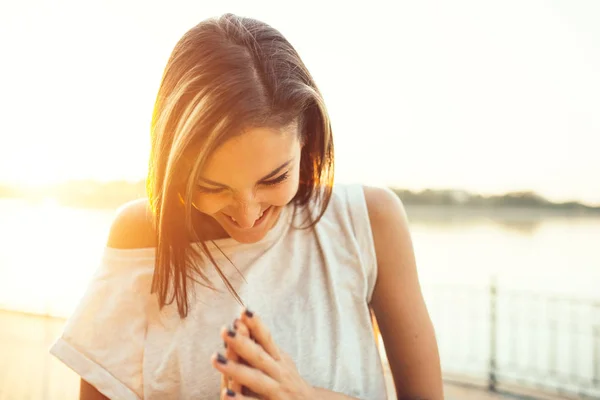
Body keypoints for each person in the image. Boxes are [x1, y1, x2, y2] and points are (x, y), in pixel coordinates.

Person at [50, 13, 443, 400]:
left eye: (273, 179)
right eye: (212, 187)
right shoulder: (139, 238)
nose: (247, 213)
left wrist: (302, 396)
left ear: (307, 134)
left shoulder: (368, 222)